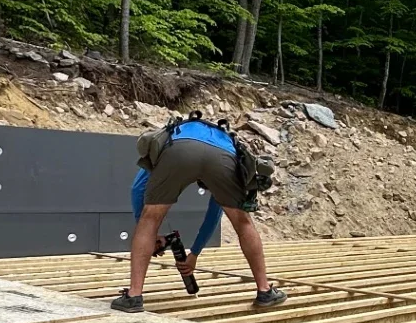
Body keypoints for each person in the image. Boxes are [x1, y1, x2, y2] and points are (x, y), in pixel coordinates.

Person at [111, 114, 287, 311]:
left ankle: (134, 296)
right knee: (243, 222)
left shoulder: (173, 134)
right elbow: (214, 214)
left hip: (179, 149)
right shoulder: (226, 142)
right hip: (223, 157)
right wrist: (195, 253)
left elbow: (137, 189)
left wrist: (149, 235)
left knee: (149, 218)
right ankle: (264, 291)